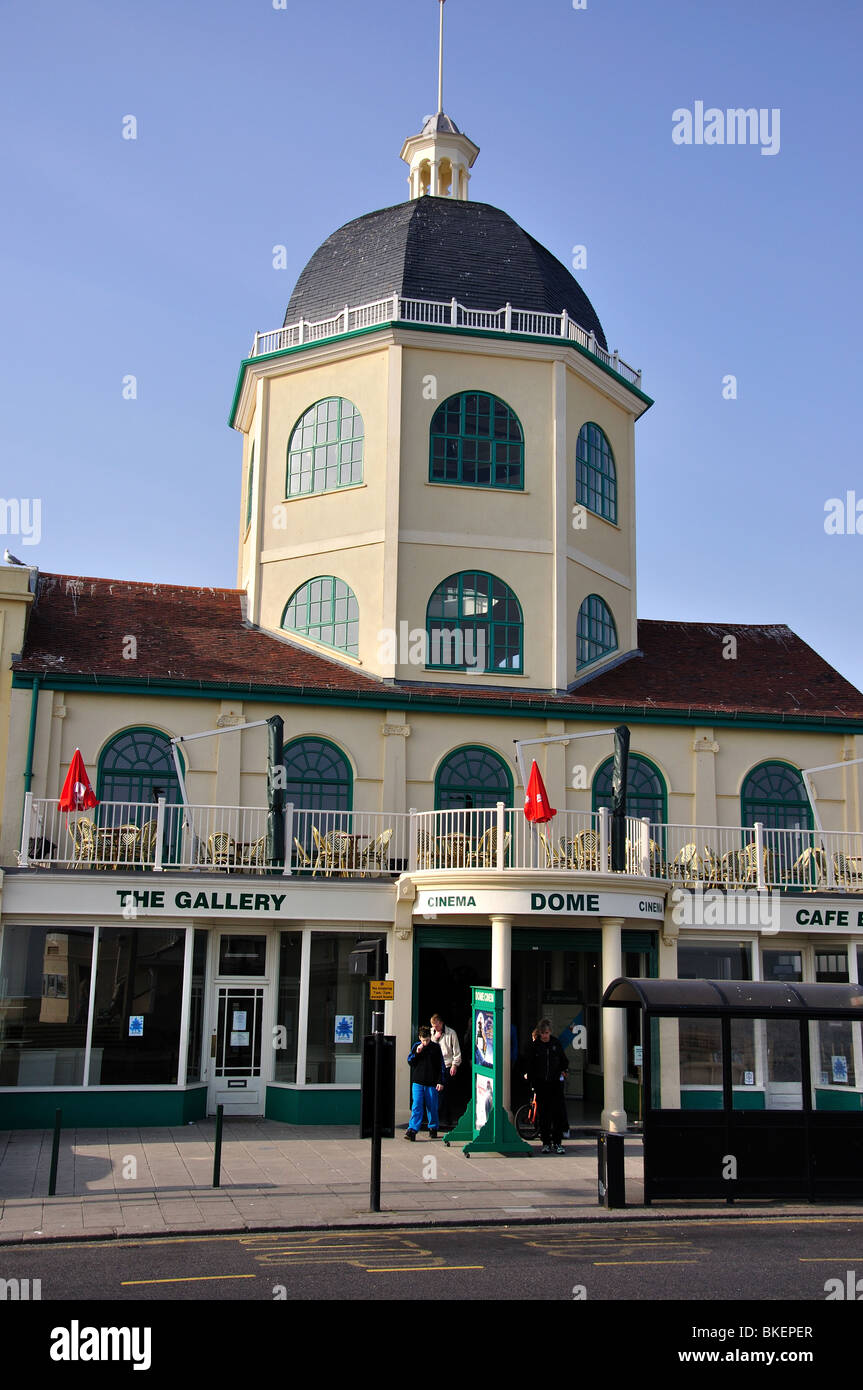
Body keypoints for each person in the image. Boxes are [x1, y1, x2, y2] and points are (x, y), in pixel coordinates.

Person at [523, 1017, 569, 1154]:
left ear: (550, 1032)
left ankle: (557, 1142)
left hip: (555, 1084)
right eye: (543, 1033)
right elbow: (530, 1064)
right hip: (541, 1084)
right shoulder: (535, 1046)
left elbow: (563, 1060)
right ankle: (546, 1142)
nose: (544, 1036)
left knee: (557, 1114)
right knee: (544, 1115)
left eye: (547, 1033)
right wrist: (531, 1079)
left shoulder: (555, 1044)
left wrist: (564, 1070)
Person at [404, 1024, 445, 1140]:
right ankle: (412, 1129)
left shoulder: (436, 1048)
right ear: (419, 1038)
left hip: (431, 1082)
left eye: (427, 1040)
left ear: (430, 1037)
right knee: (416, 1105)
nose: (425, 1043)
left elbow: (440, 1066)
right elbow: (410, 1062)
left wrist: (440, 1081)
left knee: (432, 1106)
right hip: (418, 1081)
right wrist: (417, 1052)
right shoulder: (416, 1046)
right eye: (423, 1040)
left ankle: (433, 1127)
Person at [430, 1013, 462, 1129]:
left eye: (436, 1025)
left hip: (447, 1065)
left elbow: (456, 1051)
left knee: (446, 1093)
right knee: (435, 1092)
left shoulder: (451, 1033)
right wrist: (435, 1037)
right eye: (433, 1026)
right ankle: (435, 1118)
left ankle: (447, 1118)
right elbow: (429, 1047)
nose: (435, 1028)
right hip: (435, 1066)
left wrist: (455, 1065)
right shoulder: (432, 1032)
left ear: (441, 1023)